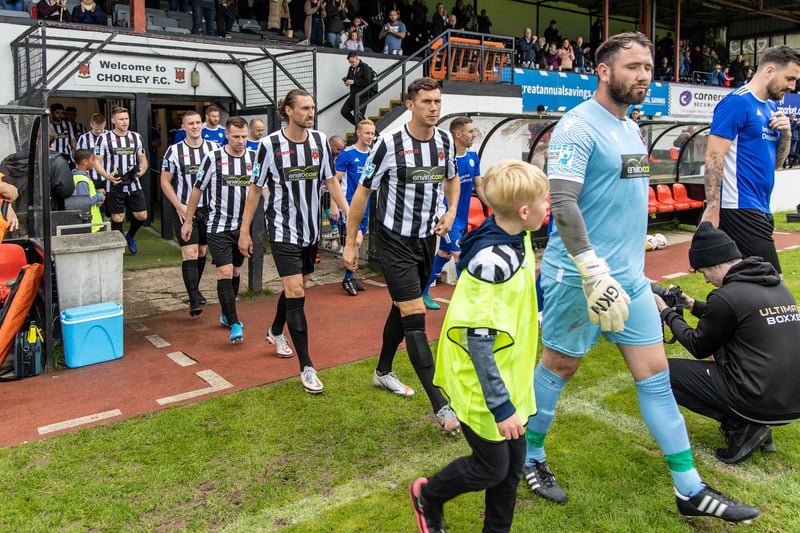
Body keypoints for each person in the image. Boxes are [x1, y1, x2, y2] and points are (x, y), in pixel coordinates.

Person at [521, 32, 759, 523]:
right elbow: (562, 202)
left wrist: (635, 264)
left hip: (629, 281)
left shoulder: (631, 128)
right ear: (604, 71)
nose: (644, 75)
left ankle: (689, 487)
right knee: (559, 368)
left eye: (649, 66)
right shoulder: (577, 126)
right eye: (633, 66)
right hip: (578, 280)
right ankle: (530, 456)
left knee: (654, 377)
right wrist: (590, 267)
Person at [410, 160, 549, 533]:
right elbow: (480, 343)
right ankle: (428, 496)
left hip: (510, 379)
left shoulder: (515, 232)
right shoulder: (493, 263)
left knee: (512, 466)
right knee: (492, 466)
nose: (547, 206)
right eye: (543, 200)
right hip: (482, 383)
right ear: (523, 211)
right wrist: (502, 407)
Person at [343, 77, 462, 432]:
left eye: (438, 102)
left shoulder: (444, 142)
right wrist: (351, 241)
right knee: (414, 312)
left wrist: (452, 210)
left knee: (401, 307)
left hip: (426, 239)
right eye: (426, 102)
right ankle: (441, 406)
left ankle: (382, 371)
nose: (434, 108)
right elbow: (362, 193)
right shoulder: (388, 145)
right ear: (410, 105)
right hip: (393, 240)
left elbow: (452, 179)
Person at [656, 222, 800, 465]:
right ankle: (753, 423)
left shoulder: (726, 296)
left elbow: (698, 346)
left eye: (703, 272)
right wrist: (693, 305)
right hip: (792, 398)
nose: (705, 280)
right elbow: (735, 316)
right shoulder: (774, 285)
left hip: (760, 399)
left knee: (660, 374)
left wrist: (666, 313)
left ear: (714, 263)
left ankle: (743, 425)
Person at [238, 89, 349, 394]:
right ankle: (307, 367)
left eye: (312, 107)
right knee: (296, 290)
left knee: (299, 287)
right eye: (304, 108)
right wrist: (245, 230)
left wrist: (350, 213)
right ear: (288, 111)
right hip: (283, 231)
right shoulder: (268, 145)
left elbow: (330, 181)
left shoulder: (319, 141)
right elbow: (255, 191)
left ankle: (275, 330)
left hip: (310, 231)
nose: (310, 113)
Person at [701, 45, 800, 275]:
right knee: (773, 282)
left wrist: (785, 135)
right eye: (790, 78)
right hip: (738, 207)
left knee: (743, 283)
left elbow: (773, 164)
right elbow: (714, 155)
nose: (793, 86)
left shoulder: (770, 108)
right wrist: (713, 207)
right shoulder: (737, 102)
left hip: (760, 207)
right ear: (770, 70)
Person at [181, 117, 252, 344]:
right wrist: (188, 221)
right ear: (227, 136)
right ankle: (234, 323)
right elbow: (197, 189)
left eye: (244, 136)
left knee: (237, 272)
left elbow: (262, 190)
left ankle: (226, 311)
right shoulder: (213, 158)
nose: (241, 141)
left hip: (242, 229)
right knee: (224, 271)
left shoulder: (253, 159)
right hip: (217, 227)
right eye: (236, 137)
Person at [421, 116, 484, 310]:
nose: (474, 135)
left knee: (444, 254)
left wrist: (495, 207)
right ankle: (471, 303)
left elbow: (479, 187)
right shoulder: (444, 159)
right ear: (458, 134)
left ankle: (422, 292)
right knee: (460, 255)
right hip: (446, 218)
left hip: (462, 219)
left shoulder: (473, 158)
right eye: (471, 131)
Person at [162, 110, 220, 317]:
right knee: (190, 252)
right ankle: (194, 300)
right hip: (185, 209)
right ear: (183, 127)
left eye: (197, 123)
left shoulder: (214, 149)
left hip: (209, 209)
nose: (195, 126)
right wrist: (178, 206)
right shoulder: (174, 151)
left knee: (203, 251)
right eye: (190, 123)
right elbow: (165, 181)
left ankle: (195, 289)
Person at [93, 106, 149, 254]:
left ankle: (130, 236)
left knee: (142, 215)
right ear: (113, 121)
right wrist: (107, 176)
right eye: (121, 119)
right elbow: (97, 161)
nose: (125, 122)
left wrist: (141, 171)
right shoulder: (104, 138)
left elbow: (143, 160)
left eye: (126, 119)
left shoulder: (136, 137)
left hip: (133, 183)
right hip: (114, 184)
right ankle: (118, 246)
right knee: (118, 217)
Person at [330, 119, 375, 296]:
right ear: (358, 133)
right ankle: (348, 277)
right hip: (348, 204)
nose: (370, 136)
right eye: (367, 133)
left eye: (372, 133)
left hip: (366, 205)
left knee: (359, 239)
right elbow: (334, 180)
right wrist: (334, 205)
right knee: (354, 240)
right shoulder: (347, 154)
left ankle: (350, 277)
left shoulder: (373, 154)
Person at [70, 148, 105, 232]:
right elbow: (84, 202)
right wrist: (99, 196)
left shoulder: (81, 177)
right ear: (85, 162)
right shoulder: (81, 180)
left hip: (92, 224)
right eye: (92, 160)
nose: (94, 162)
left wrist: (96, 193)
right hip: (89, 224)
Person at [340, 52, 374, 125]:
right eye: (350, 62)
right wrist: (347, 81)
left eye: (352, 62)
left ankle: (362, 128)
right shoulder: (351, 68)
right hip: (353, 95)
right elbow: (349, 78)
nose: (352, 64)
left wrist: (354, 82)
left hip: (362, 95)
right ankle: (359, 126)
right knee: (344, 111)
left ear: (357, 58)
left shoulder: (364, 67)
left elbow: (367, 81)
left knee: (358, 116)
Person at [47, 127, 76, 211]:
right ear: (52, 144)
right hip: (50, 208)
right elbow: (66, 190)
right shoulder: (58, 162)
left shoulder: (12, 160)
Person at [76, 113, 107, 190]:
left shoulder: (109, 136)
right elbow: (79, 158)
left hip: (108, 176)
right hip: (91, 176)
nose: (99, 131)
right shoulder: (84, 138)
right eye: (97, 129)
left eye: (101, 129)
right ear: (91, 124)